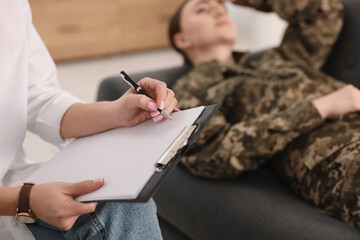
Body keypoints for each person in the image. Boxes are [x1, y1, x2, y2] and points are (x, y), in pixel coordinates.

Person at [168, 0, 360, 228]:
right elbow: (210, 153)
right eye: (202, 9)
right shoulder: (188, 91)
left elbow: (324, 10)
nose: (218, 10)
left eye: (221, 6)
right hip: (342, 158)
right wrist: (318, 109)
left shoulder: (280, 60)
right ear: (182, 39)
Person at [0, 1, 177, 239]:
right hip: (10, 199)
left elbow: (37, 97)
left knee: (121, 199)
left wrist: (116, 113)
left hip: (12, 179)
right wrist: (23, 200)